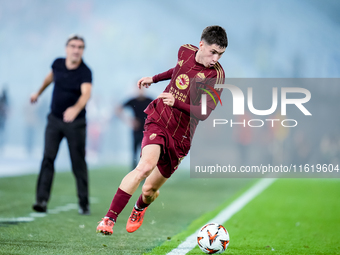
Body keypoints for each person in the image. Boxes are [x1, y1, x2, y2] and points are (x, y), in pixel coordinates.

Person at [96, 25, 228, 234]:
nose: (216, 58)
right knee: (145, 167)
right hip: (160, 118)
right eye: (213, 52)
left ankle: (140, 207)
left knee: (149, 190)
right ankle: (109, 219)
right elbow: (177, 69)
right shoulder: (184, 50)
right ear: (201, 44)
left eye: (220, 54)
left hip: (182, 136)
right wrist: (154, 79)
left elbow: (204, 112)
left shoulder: (216, 76)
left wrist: (176, 102)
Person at [30, 34, 92, 215]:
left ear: (82, 50)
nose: (76, 50)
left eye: (80, 47)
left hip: (76, 124)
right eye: (73, 46)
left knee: (77, 162)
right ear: (67, 48)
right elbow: (49, 79)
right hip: (55, 120)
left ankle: (83, 203)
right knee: (48, 158)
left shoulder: (85, 71)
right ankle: (41, 200)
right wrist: (38, 93)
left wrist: (75, 108)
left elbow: (86, 93)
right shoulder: (57, 63)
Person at [115, 88, 153, 169]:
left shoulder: (150, 100)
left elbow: (159, 110)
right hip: (136, 130)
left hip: (148, 131)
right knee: (135, 153)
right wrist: (129, 121)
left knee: (146, 152)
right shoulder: (133, 101)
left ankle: (145, 170)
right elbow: (118, 109)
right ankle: (134, 171)